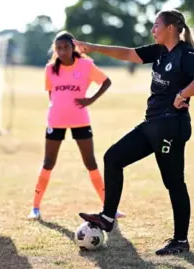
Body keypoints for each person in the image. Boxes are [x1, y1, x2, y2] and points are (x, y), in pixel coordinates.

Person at [75, 9, 194, 255]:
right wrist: (91, 47)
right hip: (152, 124)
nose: (153, 29)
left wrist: (182, 95)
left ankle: (180, 240)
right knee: (113, 157)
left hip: (171, 127)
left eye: (156, 25)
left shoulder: (185, 54)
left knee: (174, 183)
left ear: (170, 28)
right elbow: (128, 53)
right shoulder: (159, 51)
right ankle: (107, 217)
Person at [27, 31, 124, 220]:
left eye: (66, 47)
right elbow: (51, 95)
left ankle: (109, 207)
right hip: (55, 121)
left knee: (90, 162)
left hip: (81, 119)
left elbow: (106, 81)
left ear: (73, 47)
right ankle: (35, 208)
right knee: (48, 162)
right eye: (59, 48)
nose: (62, 51)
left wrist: (91, 99)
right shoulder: (49, 69)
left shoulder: (86, 65)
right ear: (55, 50)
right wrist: (59, 109)